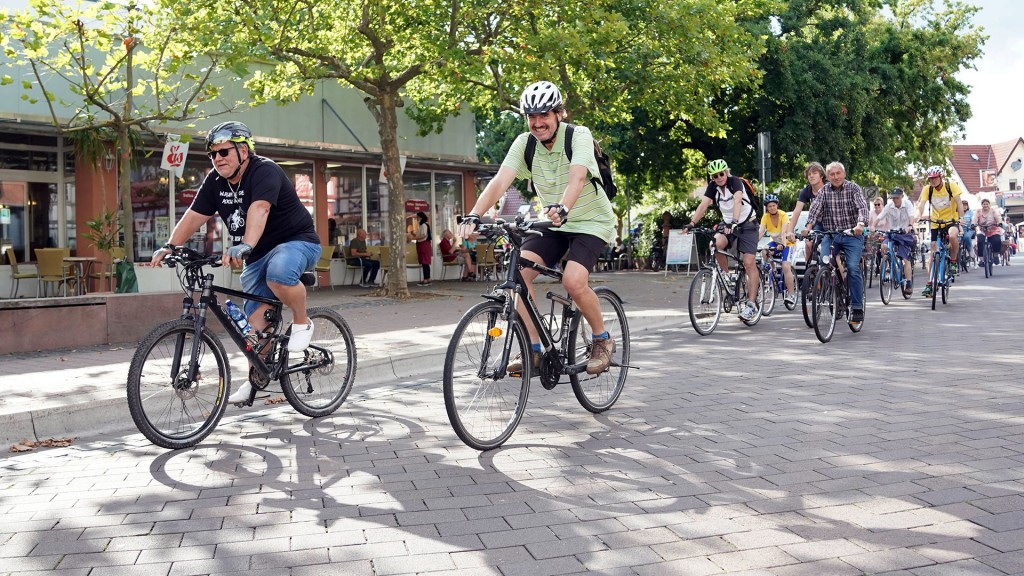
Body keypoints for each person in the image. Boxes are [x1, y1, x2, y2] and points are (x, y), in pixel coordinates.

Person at [149, 121, 322, 404]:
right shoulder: (215, 182)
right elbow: (195, 215)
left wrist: (247, 244)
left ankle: (302, 322)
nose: (218, 158)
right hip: (256, 254)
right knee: (254, 331)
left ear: (243, 150)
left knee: (278, 273)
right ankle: (257, 380)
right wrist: (170, 246)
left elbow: (260, 208)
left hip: (297, 242)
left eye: (224, 152)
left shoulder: (264, 170)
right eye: (212, 154)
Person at [458, 80, 617, 376]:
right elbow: (500, 182)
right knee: (519, 274)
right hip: (553, 223)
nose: (537, 123)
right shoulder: (525, 143)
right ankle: (534, 350)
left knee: (573, 280)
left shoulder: (578, 135)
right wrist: (474, 214)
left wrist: (564, 207)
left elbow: (577, 179)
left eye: (544, 115)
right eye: (531, 116)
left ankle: (602, 339)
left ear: (559, 114)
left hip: (591, 221)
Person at [685, 158, 761, 321]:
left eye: (721, 174)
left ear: (726, 172)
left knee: (748, 262)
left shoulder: (735, 182)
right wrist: (692, 223)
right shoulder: (713, 187)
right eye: (715, 176)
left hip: (747, 225)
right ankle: (727, 276)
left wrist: (734, 220)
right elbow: (704, 205)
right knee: (715, 244)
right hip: (728, 225)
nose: (719, 178)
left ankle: (751, 304)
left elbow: (737, 200)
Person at [799, 161, 869, 327]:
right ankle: (832, 294)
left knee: (852, 267)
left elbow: (862, 208)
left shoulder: (854, 188)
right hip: (831, 235)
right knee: (824, 261)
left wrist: (860, 224)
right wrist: (808, 228)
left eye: (838, 173)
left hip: (852, 235)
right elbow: (815, 210)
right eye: (832, 174)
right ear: (828, 176)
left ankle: (857, 307)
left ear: (843, 174)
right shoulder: (824, 191)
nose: (836, 177)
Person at [916, 165, 964, 297]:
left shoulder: (951, 186)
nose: (933, 181)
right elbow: (921, 204)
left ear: (941, 177)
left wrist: (961, 218)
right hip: (936, 222)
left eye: (935, 178)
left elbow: (959, 202)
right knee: (933, 251)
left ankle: (953, 262)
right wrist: (918, 215)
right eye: (930, 179)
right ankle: (930, 283)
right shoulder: (927, 189)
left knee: (953, 236)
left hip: (951, 221)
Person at [874, 187, 917, 294]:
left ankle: (908, 283)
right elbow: (880, 216)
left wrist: (910, 225)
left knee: (905, 260)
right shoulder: (889, 206)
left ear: (902, 196)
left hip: (904, 234)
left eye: (897, 198)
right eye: (893, 198)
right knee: (883, 247)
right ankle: (888, 263)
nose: (895, 200)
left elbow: (911, 216)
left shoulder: (907, 204)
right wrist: (872, 227)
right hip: (892, 234)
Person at [757, 194, 797, 306]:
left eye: (774, 205)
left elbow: (784, 232)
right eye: (770, 206)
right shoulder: (765, 217)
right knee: (764, 251)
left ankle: (791, 295)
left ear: (777, 205)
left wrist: (783, 244)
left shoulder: (783, 215)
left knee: (785, 266)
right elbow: (761, 232)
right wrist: (753, 243)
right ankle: (772, 269)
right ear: (767, 208)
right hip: (775, 242)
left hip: (788, 243)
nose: (772, 208)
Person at [785, 161, 827, 265]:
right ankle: (810, 273)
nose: (811, 176)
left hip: (833, 223)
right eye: (809, 174)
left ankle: (840, 277)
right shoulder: (806, 191)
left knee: (834, 253)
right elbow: (797, 211)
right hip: (816, 224)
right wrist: (790, 231)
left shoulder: (829, 188)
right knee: (808, 244)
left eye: (814, 173)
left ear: (821, 175)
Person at [974, 198, 1002, 266]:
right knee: (980, 241)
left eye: (987, 204)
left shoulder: (993, 211)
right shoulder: (978, 211)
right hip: (983, 230)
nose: (985, 205)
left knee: (997, 240)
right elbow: (974, 218)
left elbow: (998, 218)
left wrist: (999, 222)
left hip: (993, 230)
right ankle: (981, 260)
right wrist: (973, 224)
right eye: (984, 204)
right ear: (982, 205)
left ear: (989, 205)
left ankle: (995, 256)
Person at [409, 211, 432, 286]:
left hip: (423, 245)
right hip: (423, 245)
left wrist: (414, 237)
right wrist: (414, 234)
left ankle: (425, 279)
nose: (417, 219)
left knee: (424, 262)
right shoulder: (423, 226)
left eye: (418, 218)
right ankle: (428, 278)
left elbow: (423, 236)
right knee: (425, 263)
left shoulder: (424, 225)